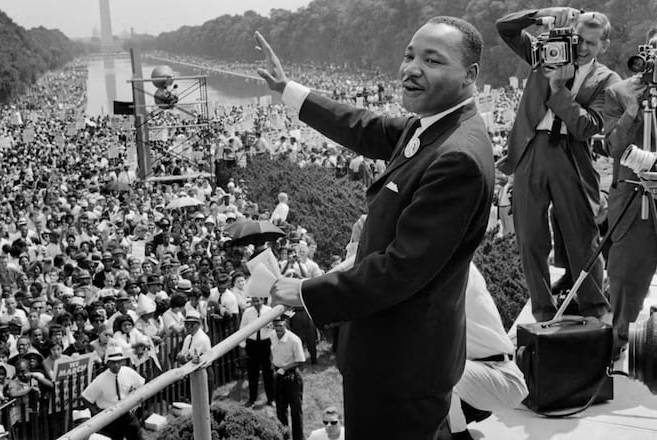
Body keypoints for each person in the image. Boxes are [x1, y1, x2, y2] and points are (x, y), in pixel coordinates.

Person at [259, 15, 495, 439]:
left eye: (432, 60)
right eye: (409, 56)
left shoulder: (456, 156)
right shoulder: (434, 126)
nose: (412, 68)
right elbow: (362, 126)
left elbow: (403, 268)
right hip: (392, 356)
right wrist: (287, 90)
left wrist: (309, 292)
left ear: (470, 75)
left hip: (401, 366)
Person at [496, 7, 619, 322]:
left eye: (591, 43)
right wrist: (541, 14)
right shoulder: (545, 53)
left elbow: (587, 127)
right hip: (530, 150)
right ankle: (542, 310)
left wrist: (558, 89)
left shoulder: (608, 80)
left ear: (604, 46)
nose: (581, 47)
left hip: (570, 154)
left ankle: (594, 308)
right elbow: (505, 28)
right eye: (578, 38)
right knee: (529, 237)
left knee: (582, 235)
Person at [602, 27, 657, 357]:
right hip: (632, 201)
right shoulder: (619, 92)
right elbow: (614, 147)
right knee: (625, 280)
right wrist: (633, 110)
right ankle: (616, 347)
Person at [448, 263, 528, 439]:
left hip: (499, 375)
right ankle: (466, 410)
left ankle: (459, 435)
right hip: (480, 371)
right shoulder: (451, 258)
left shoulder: (450, 270)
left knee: (433, 366)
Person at [80, 346, 145, 440]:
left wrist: (135, 402)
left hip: (126, 413)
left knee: (136, 435)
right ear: (108, 363)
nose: (116, 365)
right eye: (113, 362)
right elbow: (85, 397)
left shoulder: (128, 372)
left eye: (119, 362)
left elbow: (141, 385)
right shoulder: (100, 380)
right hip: (109, 418)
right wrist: (95, 413)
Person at [270, 316, 305, 440]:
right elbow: (273, 351)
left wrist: (284, 369)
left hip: (292, 376)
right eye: (276, 326)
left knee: (296, 410)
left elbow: (300, 360)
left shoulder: (294, 340)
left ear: (286, 324)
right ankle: (285, 436)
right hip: (278, 376)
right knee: (280, 409)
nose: (278, 329)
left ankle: (298, 438)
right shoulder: (272, 335)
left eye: (281, 326)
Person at [239, 296, 274, 407]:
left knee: (268, 373)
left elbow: (274, 328)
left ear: (262, 300)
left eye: (258, 301)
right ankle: (252, 399)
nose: (256, 303)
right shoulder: (248, 313)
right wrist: (242, 346)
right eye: (254, 301)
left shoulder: (269, 311)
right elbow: (242, 329)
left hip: (266, 343)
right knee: (252, 373)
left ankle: (271, 399)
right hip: (252, 344)